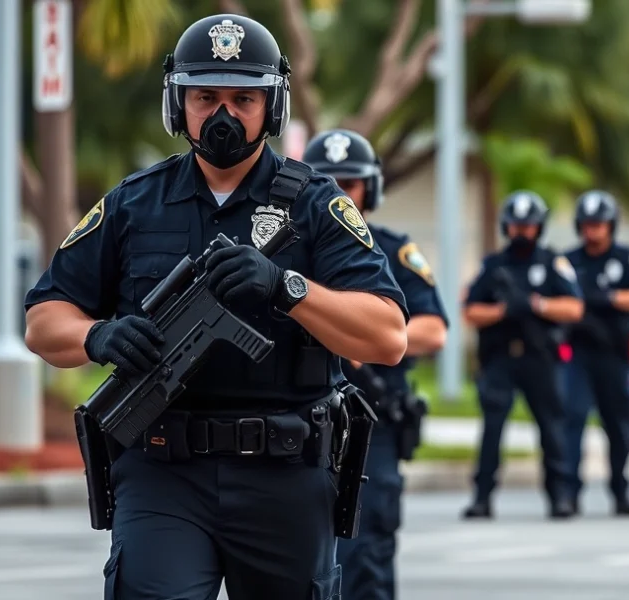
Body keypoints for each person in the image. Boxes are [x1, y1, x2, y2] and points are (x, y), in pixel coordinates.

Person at [22, 14, 409, 600]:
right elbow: (43, 318)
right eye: (205, 97)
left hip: (285, 472)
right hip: (162, 471)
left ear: (272, 106)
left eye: (243, 99)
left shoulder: (316, 206)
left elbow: (387, 336)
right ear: (177, 104)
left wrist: (287, 287)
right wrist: (97, 336)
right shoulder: (133, 203)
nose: (223, 115)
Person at [305, 129, 449, 600]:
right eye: (327, 181)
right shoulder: (286, 250)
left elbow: (433, 330)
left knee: (365, 555)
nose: (339, 193)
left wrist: (367, 339)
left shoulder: (391, 249)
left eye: (350, 183)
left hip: (369, 425)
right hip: (299, 420)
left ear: (371, 188)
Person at [462, 190, 583, 520]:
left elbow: (574, 308)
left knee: (552, 429)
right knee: (492, 429)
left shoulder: (552, 263)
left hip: (539, 358)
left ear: (539, 227)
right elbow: (471, 311)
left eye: (528, 226)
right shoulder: (494, 266)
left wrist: (536, 305)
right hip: (501, 359)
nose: (521, 232)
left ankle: (560, 496)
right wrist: (503, 311)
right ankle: (482, 497)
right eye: (516, 226)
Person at [562, 190, 629, 516]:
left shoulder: (626, 258)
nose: (593, 231)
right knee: (573, 418)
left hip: (613, 353)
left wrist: (610, 298)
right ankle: (569, 492)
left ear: (611, 225)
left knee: (617, 423)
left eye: (599, 225)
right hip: (578, 352)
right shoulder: (568, 262)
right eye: (588, 225)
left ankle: (620, 490)